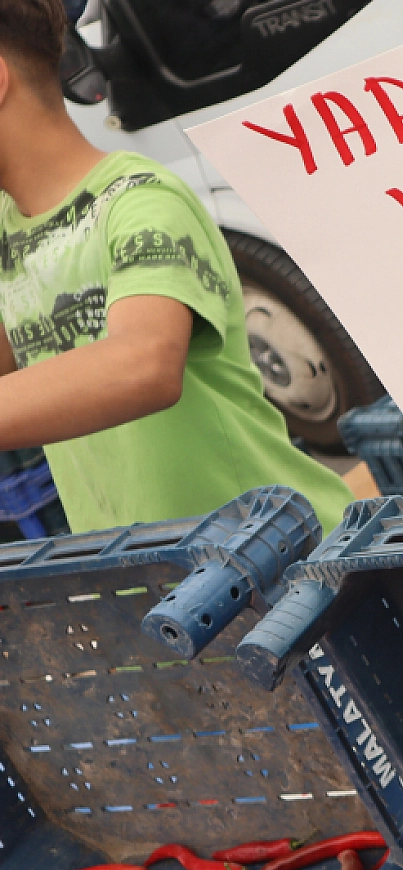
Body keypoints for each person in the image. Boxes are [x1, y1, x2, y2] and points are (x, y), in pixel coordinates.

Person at [0, 0, 355, 534]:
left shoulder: (139, 198)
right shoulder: (9, 229)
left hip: (281, 567)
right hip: (155, 584)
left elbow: (143, 365)